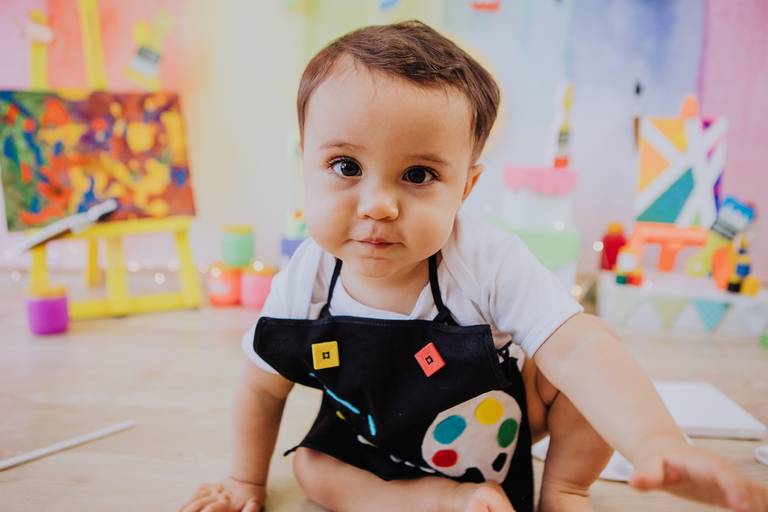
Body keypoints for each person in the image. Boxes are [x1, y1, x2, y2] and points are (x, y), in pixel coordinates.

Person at [180, 20, 768, 512]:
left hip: (488, 432)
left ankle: (565, 489)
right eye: (345, 166)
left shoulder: (487, 259)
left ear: (465, 187)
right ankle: (438, 502)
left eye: (418, 175)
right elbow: (261, 390)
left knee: (584, 359)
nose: (378, 204)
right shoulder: (306, 277)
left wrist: (658, 441)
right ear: (304, 161)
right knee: (311, 465)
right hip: (370, 438)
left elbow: (581, 349)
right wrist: (245, 479)